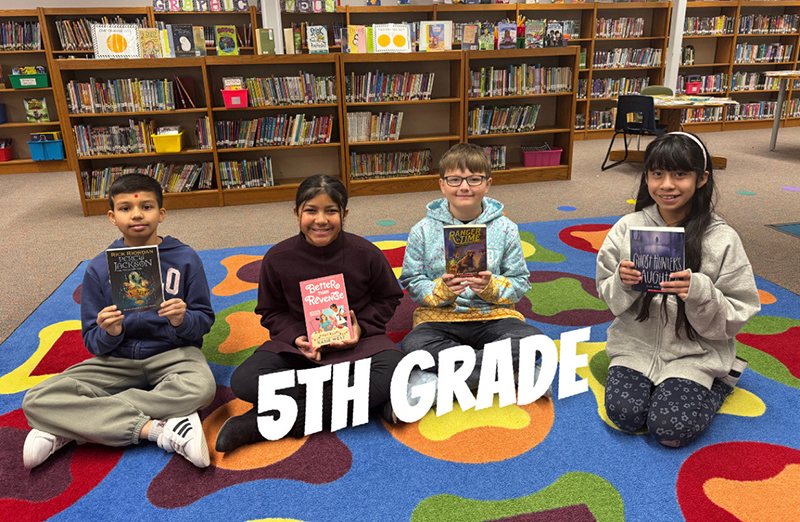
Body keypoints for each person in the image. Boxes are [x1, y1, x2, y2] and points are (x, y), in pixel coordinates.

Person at [22, 173, 216, 468]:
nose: (137, 214)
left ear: (162, 214)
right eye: (125, 208)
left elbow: (204, 319)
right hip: (118, 359)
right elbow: (92, 342)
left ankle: (78, 422)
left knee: (202, 388)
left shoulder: (186, 258)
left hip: (174, 354)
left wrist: (182, 320)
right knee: (35, 399)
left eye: (147, 207)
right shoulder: (99, 267)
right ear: (112, 217)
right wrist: (109, 332)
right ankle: (157, 429)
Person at [215, 174, 403, 452]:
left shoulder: (366, 252)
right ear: (296, 213)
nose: (321, 220)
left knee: (396, 370)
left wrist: (360, 328)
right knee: (244, 382)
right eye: (310, 211)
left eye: (331, 211)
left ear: (345, 213)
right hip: (301, 353)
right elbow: (270, 310)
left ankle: (262, 424)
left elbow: (389, 297)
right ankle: (365, 401)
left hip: (360, 347)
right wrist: (296, 339)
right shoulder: (277, 257)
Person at [596, 132, 760, 448]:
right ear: (646, 178)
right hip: (635, 347)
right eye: (657, 174)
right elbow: (606, 292)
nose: (667, 184)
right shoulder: (627, 228)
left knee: (670, 431)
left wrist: (699, 291)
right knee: (625, 417)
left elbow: (740, 310)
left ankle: (721, 383)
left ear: (701, 179)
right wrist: (622, 282)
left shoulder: (721, 238)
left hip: (695, 354)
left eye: (680, 174)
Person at [399, 143, 542, 410]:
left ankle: (441, 383)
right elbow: (411, 280)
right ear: (442, 185)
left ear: (487, 184)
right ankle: (505, 373)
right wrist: (442, 291)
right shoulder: (422, 230)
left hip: (494, 317)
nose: (464, 187)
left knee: (534, 342)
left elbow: (521, 280)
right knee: (413, 345)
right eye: (455, 180)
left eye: (474, 179)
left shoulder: (507, 229)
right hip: (440, 318)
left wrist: (490, 287)